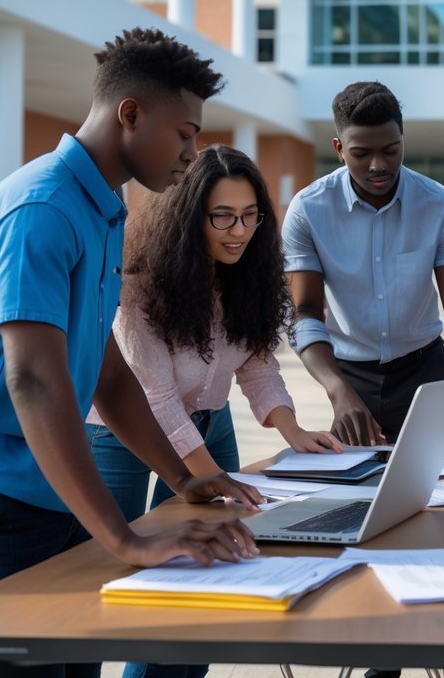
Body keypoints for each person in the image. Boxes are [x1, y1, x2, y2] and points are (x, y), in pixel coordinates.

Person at [0, 28, 262, 675]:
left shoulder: (105, 209)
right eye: (184, 134)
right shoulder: (39, 208)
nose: (191, 154)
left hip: (59, 495)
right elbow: (34, 380)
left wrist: (184, 480)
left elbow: (109, 374)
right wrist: (125, 536)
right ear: (130, 114)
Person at [85, 144, 341, 523]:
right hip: (125, 431)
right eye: (222, 217)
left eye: (249, 216)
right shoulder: (139, 286)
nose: (239, 231)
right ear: (188, 218)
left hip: (211, 421)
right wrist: (212, 476)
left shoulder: (248, 274)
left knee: (220, 528)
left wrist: (294, 431)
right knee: (114, 548)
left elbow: (257, 363)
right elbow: (159, 397)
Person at [282, 82, 444, 450]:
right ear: (339, 149)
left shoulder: (439, 205)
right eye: (361, 153)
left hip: (425, 371)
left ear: (402, 139)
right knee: (359, 497)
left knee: (435, 492)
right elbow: (303, 313)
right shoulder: (308, 210)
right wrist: (338, 391)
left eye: (390, 150)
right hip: (349, 373)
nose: (378, 165)